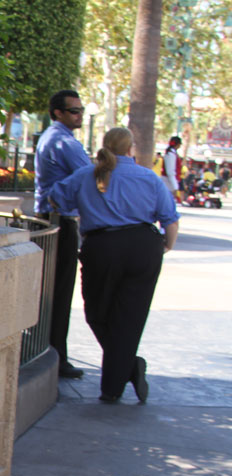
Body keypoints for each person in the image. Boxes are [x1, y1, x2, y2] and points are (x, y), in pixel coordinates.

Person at [49, 127, 180, 404]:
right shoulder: (148, 177)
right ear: (131, 149)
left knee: (97, 314)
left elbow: (55, 198)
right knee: (130, 319)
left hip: (102, 247)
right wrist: (166, 245)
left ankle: (116, 383)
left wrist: (79, 208)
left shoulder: (86, 175)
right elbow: (169, 217)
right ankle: (122, 374)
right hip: (143, 246)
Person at [34, 89, 92, 379]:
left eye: (81, 110)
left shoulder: (52, 138)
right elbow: (91, 175)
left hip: (50, 219)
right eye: (74, 111)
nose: (79, 115)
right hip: (58, 220)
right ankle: (55, 355)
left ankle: (48, 352)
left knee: (48, 292)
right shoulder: (63, 142)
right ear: (58, 112)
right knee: (58, 292)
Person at [162, 136, 182, 201]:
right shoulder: (170, 155)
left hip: (170, 183)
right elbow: (170, 172)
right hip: (168, 184)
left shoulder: (171, 154)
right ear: (178, 144)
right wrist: (175, 187)